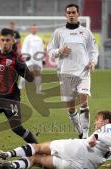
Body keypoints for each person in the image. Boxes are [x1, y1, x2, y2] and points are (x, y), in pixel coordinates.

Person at [0, 110, 111, 169]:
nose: (95, 123)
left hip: (79, 149)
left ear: (106, 121)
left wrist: (96, 136)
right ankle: (12, 165)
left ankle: (5, 155)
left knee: (38, 148)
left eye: (97, 120)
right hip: (84, 167)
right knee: (37, 160)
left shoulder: (110, 127)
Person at [47, 4, 99, 139]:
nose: (71, 15)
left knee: (83, 98)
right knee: (70, 107)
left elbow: (93, 50)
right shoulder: (59, 32)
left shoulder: (86, 32)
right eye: (69, 13)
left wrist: (93, 61)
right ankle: (79, 130)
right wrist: (59, 51)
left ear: (78, 14)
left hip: (83, 71)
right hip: (66, 73)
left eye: (73, 12)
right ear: (66, 15)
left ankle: (86, 135)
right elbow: (50, 51)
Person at [18, 24, 44, 94]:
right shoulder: (27, 38)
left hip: (37, 60)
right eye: (32, 28)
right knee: (26, 73)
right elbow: (24, 48)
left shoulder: (39, 39)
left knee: (38, 74)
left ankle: (38, 90)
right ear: (30, 29)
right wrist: (25, 56)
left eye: (35, 28)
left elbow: (41, 49)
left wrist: (43, 59)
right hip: (29, 59)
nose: (34, 30)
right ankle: (20, 87)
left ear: (37, 29)